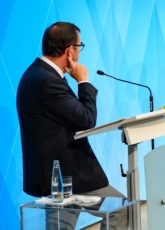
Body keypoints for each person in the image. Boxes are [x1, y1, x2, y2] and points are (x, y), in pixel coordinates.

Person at [17, 22, 126, 229]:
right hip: (66, 175)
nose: (79, 52)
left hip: (63, 173)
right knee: (120, 211)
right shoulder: (47, 81)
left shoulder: (38, 74)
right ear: (69, 51)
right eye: (80, 46)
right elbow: (86, 120)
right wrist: (84, 81)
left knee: (115, 212)